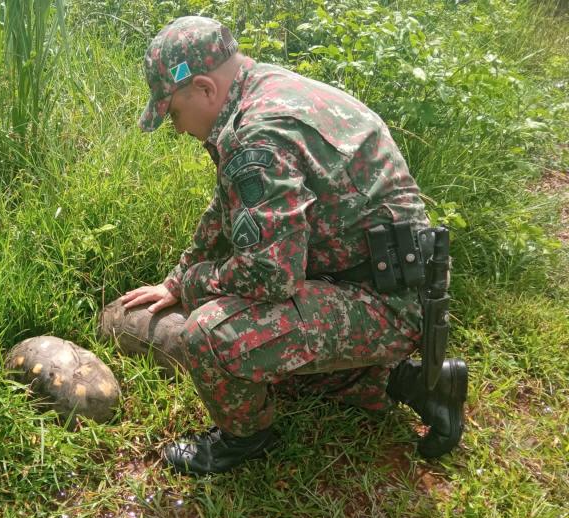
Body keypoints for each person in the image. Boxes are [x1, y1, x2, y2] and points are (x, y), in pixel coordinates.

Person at [104, 16, 468, 475]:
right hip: (379, 278)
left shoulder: (259, 133)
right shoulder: (264, 88)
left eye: (173, 112)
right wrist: (178, 278)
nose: (177, 128)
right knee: (275, 352)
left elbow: (271, 276)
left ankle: (244, 438)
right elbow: (227, 205)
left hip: (388, 302)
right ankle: (412, 383)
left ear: (203, 88)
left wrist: (196, 284)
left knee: (213, 336)